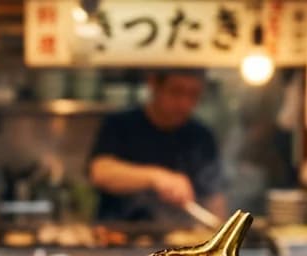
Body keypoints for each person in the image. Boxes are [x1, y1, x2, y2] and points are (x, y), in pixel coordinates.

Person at [87, 69, 225, 222]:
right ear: (153, 84)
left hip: (181, 231)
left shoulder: (201, 136)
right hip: (118, 229)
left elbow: (214, 197)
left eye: (193, 95)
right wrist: (156, 177)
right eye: (176, 91)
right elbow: (100, 172)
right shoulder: (120, 124)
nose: (184, 103)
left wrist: (221, 229)